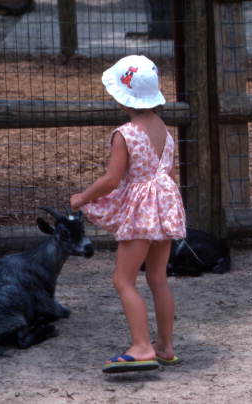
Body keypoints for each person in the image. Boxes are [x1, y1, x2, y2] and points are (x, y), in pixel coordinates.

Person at [70, 55, 186, 374]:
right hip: (164, 205)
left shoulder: (125, 133)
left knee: (123, 279)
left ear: (122, 96)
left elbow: (111, 180)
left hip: (142, 212)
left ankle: (142, 347)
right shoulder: (164, 128)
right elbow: (167, 172)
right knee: (158, 278)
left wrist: (81, 198)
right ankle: (165, 346)